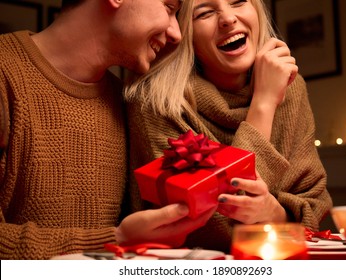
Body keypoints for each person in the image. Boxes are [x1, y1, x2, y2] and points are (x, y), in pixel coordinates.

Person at [0, 0, 216, 260]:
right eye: (169, 8)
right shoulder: (5, 75)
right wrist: (116, 240)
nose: (176, 34)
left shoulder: (129, 104)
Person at [125, 0, 333, 252]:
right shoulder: (155, 99)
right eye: (204, 13)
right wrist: (263, 104)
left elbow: (315, 204)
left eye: (238, 1)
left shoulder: (291, 86)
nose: (227, 18)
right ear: (183, 32)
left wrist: (274, 212)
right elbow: (210, 230)